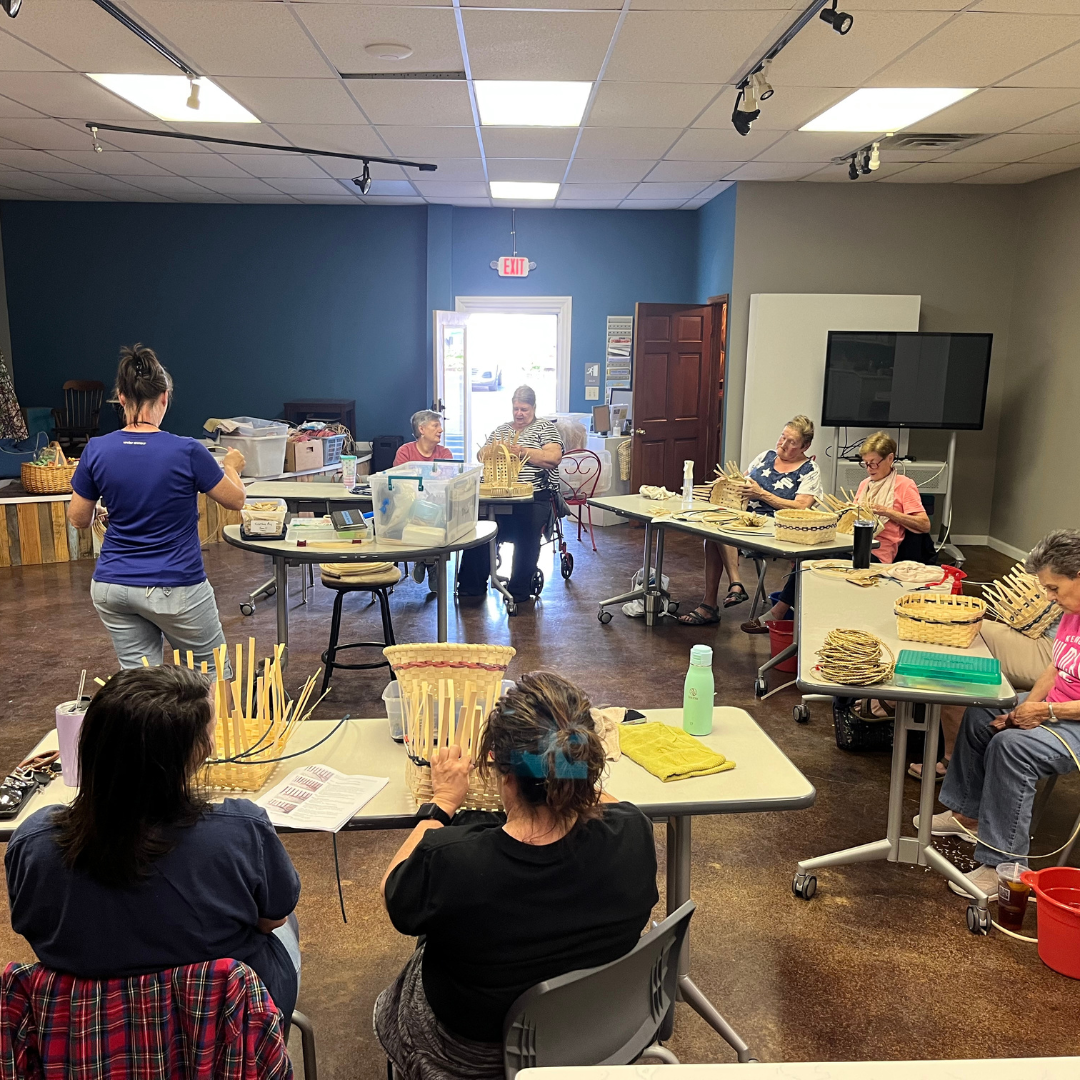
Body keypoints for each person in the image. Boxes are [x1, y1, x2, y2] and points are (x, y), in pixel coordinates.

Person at [374, 671, 658, 1080]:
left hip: (475, 1056)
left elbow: (393, 890)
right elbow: (608, 804)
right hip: (601, 1032)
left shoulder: (453, 862)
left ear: (502, 772)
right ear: (586, 762)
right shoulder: (633, 830)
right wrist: (570, 773)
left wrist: (442, 802)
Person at [5, 665, 302, 1018]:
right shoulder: (241, 831)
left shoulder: (33, 842)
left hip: (86, 1029)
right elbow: (272, 919)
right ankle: (266, 1047)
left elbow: (34, 929)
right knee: (286, 920)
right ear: (198, 752)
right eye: (210, 732)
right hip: (222, 1022)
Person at [916, 530, 1080, 897]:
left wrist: (1045, 711)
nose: (1050, 598)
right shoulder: (1073, 612)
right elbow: (1054, 670)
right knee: (983, 708)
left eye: (1054, 588)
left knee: (1012, 747)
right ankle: (968, 813)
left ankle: (1004, 868)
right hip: (1057, 706)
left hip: (1075, 721)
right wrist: (1023, 708)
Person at [67, 345, 246, 671]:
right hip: (176, 587)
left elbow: (78, 519)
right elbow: (236, 500)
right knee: (212, 676)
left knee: (141, 687)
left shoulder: (96, 449)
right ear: (164, 397)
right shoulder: (188, 451)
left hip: (113, 587)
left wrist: (110, 510)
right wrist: (232, 465)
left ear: (121, 398)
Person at [680, 416, 822, 629]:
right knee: (714, 532)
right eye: (782, 437)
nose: (783, 444)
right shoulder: (766, 457)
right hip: (743, 522)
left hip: (776, 529)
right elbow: (741, 481)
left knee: (722, 532)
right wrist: (728, 483)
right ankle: (721, 596)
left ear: (805, 446)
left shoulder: (809, 470)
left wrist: (763, 494)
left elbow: (802, 507)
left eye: (791, 442)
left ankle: (729, 590)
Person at [457, 386, 564, 604]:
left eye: (524, 409)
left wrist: (522, 451)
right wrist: (491, 450)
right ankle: (470, 586)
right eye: (516, 409)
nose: (519, 414)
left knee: (527, 530)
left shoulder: (545, 428)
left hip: (533, 496)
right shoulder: (501, 429)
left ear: (533, 408)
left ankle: (519, 590)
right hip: (497, 495)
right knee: (478, 529)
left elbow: (553, 458)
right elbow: (481, 455)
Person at [853, 432, 932, 565]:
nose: (869, 469)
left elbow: (925, 525)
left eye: (873, 463)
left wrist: (888, 512)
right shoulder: (864, 484)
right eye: (865, 464)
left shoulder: (904, 484)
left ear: (890, 458)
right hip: (855, 545)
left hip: (878, 553)